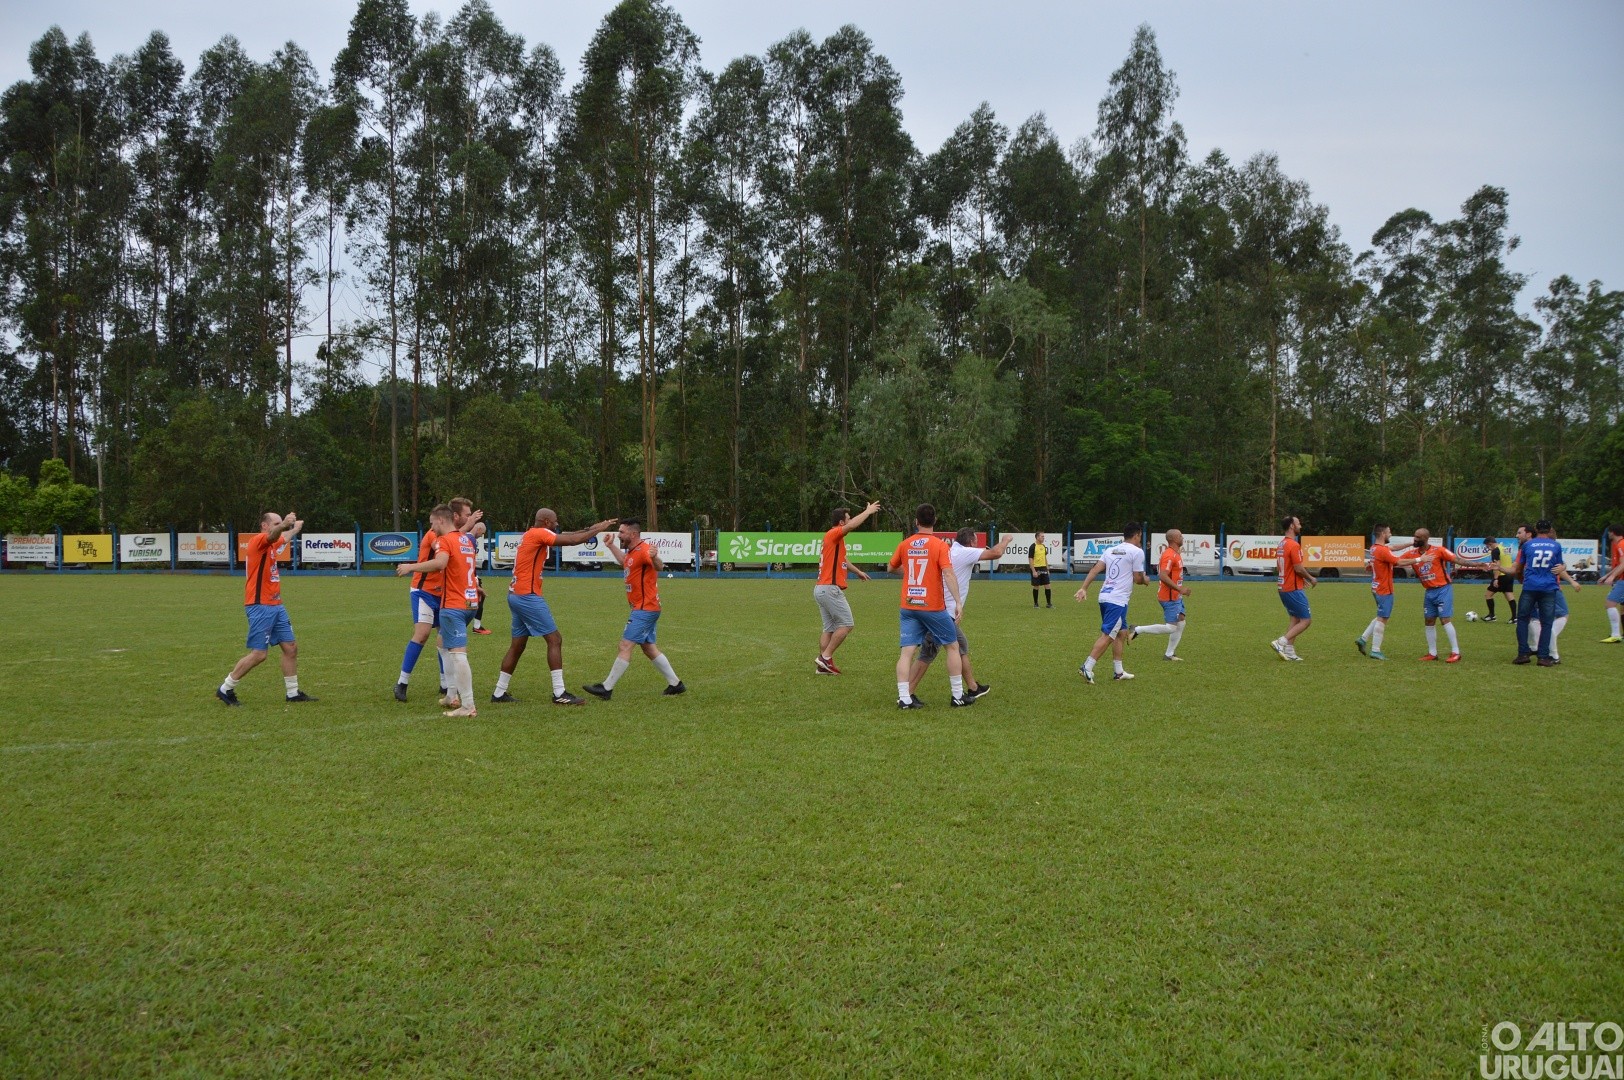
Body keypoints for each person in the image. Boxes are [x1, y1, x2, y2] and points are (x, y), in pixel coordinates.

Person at [492, 508, 618, 705]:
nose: (557, 524)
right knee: (555, 640)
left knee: (517, 646)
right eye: (554, 521)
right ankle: (559, 693)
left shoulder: (531, 534)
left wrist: (596, 526)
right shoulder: (539, 533)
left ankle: (499, 693)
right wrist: (598, 530)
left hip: (515, 594)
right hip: (528, 595)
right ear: (545, 521)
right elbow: (573, 541)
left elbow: (572, 534)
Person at [217, 510, 315, 705]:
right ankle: (225, 688)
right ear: (265, 525)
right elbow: (274, 535)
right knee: (259, 654)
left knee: (291, 648)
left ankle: (293, 693)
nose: (282, 526)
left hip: (276, 605)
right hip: (260, 605)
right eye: (277, 523)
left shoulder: (272, 542)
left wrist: (294, 529)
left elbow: (282, 537)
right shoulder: (258, 541)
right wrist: (285, 524)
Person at [584, 519, 686, 699]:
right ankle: (675, 684)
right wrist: (610, 546)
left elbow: (659, 566)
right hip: (643, 608)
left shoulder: (645, 550)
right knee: (648, 648)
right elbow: (625, 561)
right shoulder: (632, 552)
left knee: (625, 645)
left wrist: (655, 557)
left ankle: (606, 688)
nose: (618, 535)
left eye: (622, 532)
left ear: (632, 534)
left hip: (645, 609)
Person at [395, 504, 480, 716]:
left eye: (432, 522)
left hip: (452, 601)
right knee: (440, 641)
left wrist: (410, 566)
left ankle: (467, 705)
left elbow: (441, 562)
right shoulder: (465, 540)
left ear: (441, 520)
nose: (431, 527)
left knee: (457, 653)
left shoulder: (444, 539)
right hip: (462, 600)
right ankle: (449, 693)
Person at [907, 527, 1010, 701]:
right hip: (942, 613)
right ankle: (906, 694)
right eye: (975, 541)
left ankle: (973, 687)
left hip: (939, 610)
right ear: (971, 542)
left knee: (961, 646)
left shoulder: (950, 550)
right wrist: (1006, 539)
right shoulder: (965, 553)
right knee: (929, 651)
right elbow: (996, 553)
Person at [888, 504, 970, 709]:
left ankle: (904, 698)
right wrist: (958, 602)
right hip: (931, 607)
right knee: (953, 646)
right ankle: (958, 695)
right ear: (935, 521)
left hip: (908, 606)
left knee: (907, 652)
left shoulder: (905, 544)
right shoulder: (940, 545)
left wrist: (911, 574)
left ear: (916, 522)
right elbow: (949, 574)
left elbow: (891, 568)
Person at [1074, 523, 1148, 683]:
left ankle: (1118, 672)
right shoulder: (1137, 552)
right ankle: (1087, 667)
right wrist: (1146, 580)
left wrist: (1084, 588)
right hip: (1117, 600)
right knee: (1108, 635)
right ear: (1136, 535)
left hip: (1105, 596)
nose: (1140, 539)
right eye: (1140, 536)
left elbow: (1095, 569)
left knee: (1121, 633)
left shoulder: (1110, 550)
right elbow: (1137, 578)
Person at [813, 500, 882, 674]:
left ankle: (823, 666)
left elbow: (842, 560)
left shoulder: (832, 538)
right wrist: (868, 512)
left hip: (821, 588)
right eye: (848, 518)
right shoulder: (835, 533)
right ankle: (825, 658)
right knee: (846, 624)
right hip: (830, 588)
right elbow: (851, 526)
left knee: (828, 628)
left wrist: (857, 571)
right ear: (842, 522)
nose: (850, 521)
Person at [1404, 528, 1487, 663]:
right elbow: (1395, 561)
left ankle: (1456, 652)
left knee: (1444, 620)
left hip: (1443, 589)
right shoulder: (1412, 554)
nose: (1415, 539)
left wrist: (1477, 564)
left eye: (1418, 537)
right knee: (1429, 621)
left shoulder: (1439, 550)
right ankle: (1432, 653)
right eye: (1414, 536)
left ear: (1425, 539)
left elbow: (1458, 560)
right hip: (1429, 591)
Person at [394, 518, 452, 703]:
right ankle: (402, 683)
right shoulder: (433, 535)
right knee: (422, 634)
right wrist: (410, 567)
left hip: (444, 593)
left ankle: (445, 684)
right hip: (423, 591)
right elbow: (439, 561)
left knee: (444, 637)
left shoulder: (454, 537)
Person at [1514, 520, 1582, 667]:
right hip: (1549, 587)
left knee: (1523, 619)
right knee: (1547, 622)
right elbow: (1559, 567)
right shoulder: (1556, 546)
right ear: (1549, 529)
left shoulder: (1527, 545)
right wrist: (1564, 567)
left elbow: (1519, 568)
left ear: (1536, 529)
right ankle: (1543, 657)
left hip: (1530, 586)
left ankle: (1523, 654)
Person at [1355, 524, 1423, 661]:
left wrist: (1412, 543)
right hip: (1384, 589)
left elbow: (1394, 548)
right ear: (1383, 534)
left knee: (1381, 615)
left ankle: (1363, 639)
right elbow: (1398, 562)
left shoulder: (1375, 549)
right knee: (1383, 618)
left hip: (1376, 587)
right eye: (1389, 532)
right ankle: (1375, 650)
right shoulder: (1382, 551)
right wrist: (1420, 559)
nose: (1390, 534)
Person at [1129, 528, 1189, 661]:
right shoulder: (1169, 555)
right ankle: (1137, 629)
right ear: (1173, 539)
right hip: (1169, 597)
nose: (1182, 537)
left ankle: (1169, 654)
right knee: (1171, 627)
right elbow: (1162, 575)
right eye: (1180, 536)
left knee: (1181, 621)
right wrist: (1179, 589)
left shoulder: (1175, 553)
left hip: (1175, 596)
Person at [1270, 515, 1316, 661]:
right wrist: (1310, 578)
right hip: (1292, 589)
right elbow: (1298, 567)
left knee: (1295, 618)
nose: (1300, 526)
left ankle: (1289, 651)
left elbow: (1284, 567)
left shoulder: (1282, 544)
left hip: (1283, 587)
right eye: (1298, 523)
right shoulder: (1293, 545)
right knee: (1306, 620)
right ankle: (1281, 642)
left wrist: (1301, 579)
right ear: (1291, 526)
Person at [1526, 582, 1579, 663]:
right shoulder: (1533, 588)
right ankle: (1534, 647)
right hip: (1544, 614)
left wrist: (1571, 581)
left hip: (1559, 616)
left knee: (1550, 631)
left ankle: (1554, 656)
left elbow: (1561, 613)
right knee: (1528, 620)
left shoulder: (1551, 589)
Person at [1482, 535, 1515, 623]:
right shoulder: (1504, 549)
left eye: (1487, 546)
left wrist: (1496, 579)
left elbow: (1497, 565)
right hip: (1509, 574)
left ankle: (1492, 616)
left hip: (1501, 576)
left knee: (1488, 595)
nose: (1488, 548)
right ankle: (1514, 618)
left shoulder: (1495, 551)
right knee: (1509, 595)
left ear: (1490, 544)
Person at [1601, 523, 1623, 643]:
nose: (1608, 534)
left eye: (1609, 532)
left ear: (1612, 532)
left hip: (1623, 580)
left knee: (1610, 604)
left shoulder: (1621, 544)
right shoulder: (1619, 544)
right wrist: (1607, 576)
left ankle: (1616, 634)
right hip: (1621, 580)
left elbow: (1623, 564)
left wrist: (1612, 576)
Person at [468, 521, 491, 635]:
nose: (482, 535)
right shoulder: (470, 540)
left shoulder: (469, 539)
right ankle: (475, 626)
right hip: (469, 576)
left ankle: (476, 626)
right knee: (473, 600)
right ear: (478, 528)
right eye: (482, 533)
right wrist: (473, 577)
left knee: (477, 598)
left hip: (471, 574)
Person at [1030, 532, 1052, 608]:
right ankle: (1035, 604)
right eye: (1042, 536)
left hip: (1043, 568)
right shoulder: (1033, 546)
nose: (1043, 538)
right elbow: (1030, 559)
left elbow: (1045, 558)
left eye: (1043, 536)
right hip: (1036, 568)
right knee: (1036, 586)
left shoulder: (1043, 546)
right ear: (1037, 537)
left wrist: (1047, 569)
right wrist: (1033, 571)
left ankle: (1048, 604)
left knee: (1048, 585)